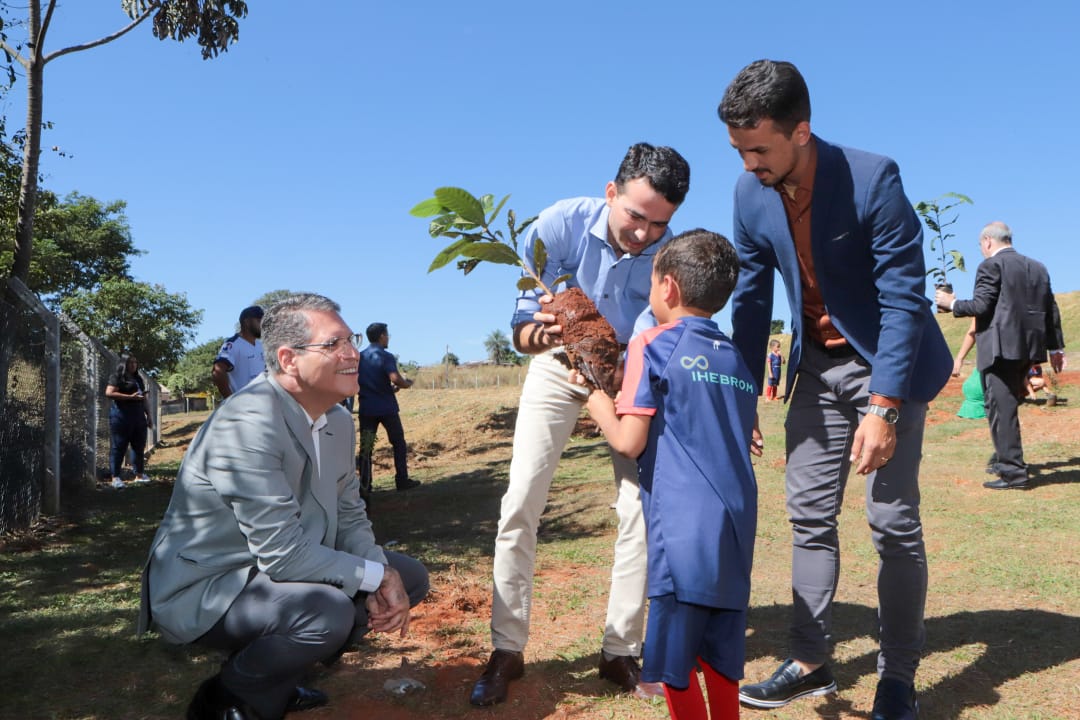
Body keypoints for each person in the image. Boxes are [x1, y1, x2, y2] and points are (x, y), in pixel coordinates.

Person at [718, 59, 952, 720]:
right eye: (738, 150)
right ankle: (810, 660)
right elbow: (751, 304)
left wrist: (884, 406)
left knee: (892, 522)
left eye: (758, 149)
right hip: (816, 368)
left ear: (801, 132)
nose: (747, 164)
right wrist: (740, 398)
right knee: (808, 514)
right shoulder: (748, 195)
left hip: (888, 365)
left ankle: (898, 676)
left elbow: (905, 301)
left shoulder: (873, 178)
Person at [469, 142, 691, 707]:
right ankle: (507, 647)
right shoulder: (555, 227)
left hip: (627, 371)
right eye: (635, 216)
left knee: (640, 507)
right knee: (521, 499)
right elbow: (522, 329)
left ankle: (620, 648)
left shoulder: (671, 256)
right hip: (558, 365)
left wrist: (621, 381)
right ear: (611, 192)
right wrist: (540, 336)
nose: (643, 234)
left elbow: (660, 336)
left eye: (658, 224)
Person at [138, 294, 430, 720]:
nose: (352, 354)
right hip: (212, 582)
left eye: (350, 340)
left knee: (411, 578)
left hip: (275, 569)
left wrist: (378, 570)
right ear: (289, 359)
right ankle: (225, 698)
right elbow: (283, 552)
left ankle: (280, 673)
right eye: (334, 345)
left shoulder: (337, 419)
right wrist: (374, 574)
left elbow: (349, 512)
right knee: (326, 612)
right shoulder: (248, 421)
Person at [579, 229, 757, 720]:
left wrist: (596, 403)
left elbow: (629, 441)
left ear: (668, 288)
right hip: (737, 522)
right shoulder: (735, 355)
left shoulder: (651, 344)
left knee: (674, 661)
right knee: (722, 649)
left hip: (682, 524)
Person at [936, 221, 1065, 489]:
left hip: (999, 349)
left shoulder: (990, 266)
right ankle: (1005, 460)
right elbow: (1050, 309)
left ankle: (1013, 473)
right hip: (1028, 350)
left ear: (987, 241)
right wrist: (1056, 348)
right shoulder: (1038, 267)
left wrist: (952, 304)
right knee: (1006, 407)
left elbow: (982, 305)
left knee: (1000, 408)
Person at [357, 322, 420, 491]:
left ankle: (365, 484)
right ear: (382, 336)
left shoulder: (360, 357)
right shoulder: (385, 356)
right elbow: (395, 378)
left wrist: (389, 388)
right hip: (387, 409)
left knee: (367, 448)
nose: (388, 338)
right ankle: (402, 480)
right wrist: (406, 384)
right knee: (398, 443)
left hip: (367, 410)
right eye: (387, 335)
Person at [104, 353, 154, 489]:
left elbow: (144, 399)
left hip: (138, 418)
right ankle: (115, 477)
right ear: (124, 364)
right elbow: (109, 393)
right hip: (121, 417)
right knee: (119, 447)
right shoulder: (117, 377)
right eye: (130, 362)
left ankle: (139, 475)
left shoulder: (138, 379)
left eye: (135, 362)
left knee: (139, 447)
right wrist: (130, 397)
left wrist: (149, 416)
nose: (133, 365)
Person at [212, 305, 266, 398]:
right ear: (247, 322)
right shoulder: (232, 344)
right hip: (243, 407)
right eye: (258, 321)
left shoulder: (261, 345)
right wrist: (230, 399)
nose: (262, 325)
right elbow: (218, 371)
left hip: (263, 403)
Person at [954, 318, 987, 420]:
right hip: (986, 360)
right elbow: (972, 332)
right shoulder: (983, 306)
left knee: (976, 389)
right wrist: (959, 358)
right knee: (973, 388)